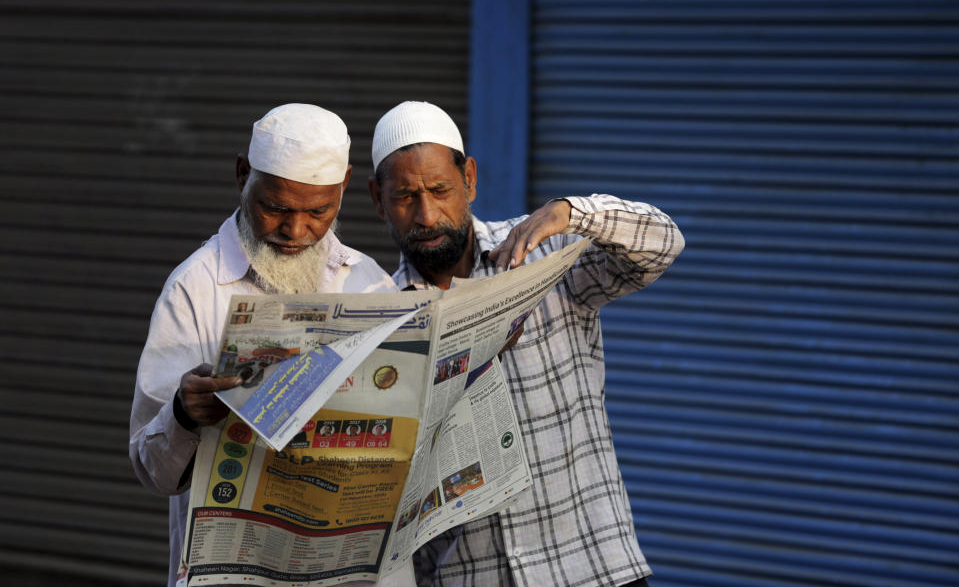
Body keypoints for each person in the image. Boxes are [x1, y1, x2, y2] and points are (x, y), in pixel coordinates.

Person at [368, 101, 685, 587]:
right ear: (377, 199)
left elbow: (664, 244)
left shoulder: (545, 257)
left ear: (469, 179)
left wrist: (572, 212)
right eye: (406, 197)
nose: (427, 214)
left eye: (440, 190)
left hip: (595, 569)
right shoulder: (382, 322)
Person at [129, 103, 397, 587]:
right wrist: (184, 413)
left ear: (345, 187)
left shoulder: (369, 283)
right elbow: (152, 473)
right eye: (275, 208)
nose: (296, 232)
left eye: (319, 211)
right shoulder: (195, 288)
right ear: (241, 175)